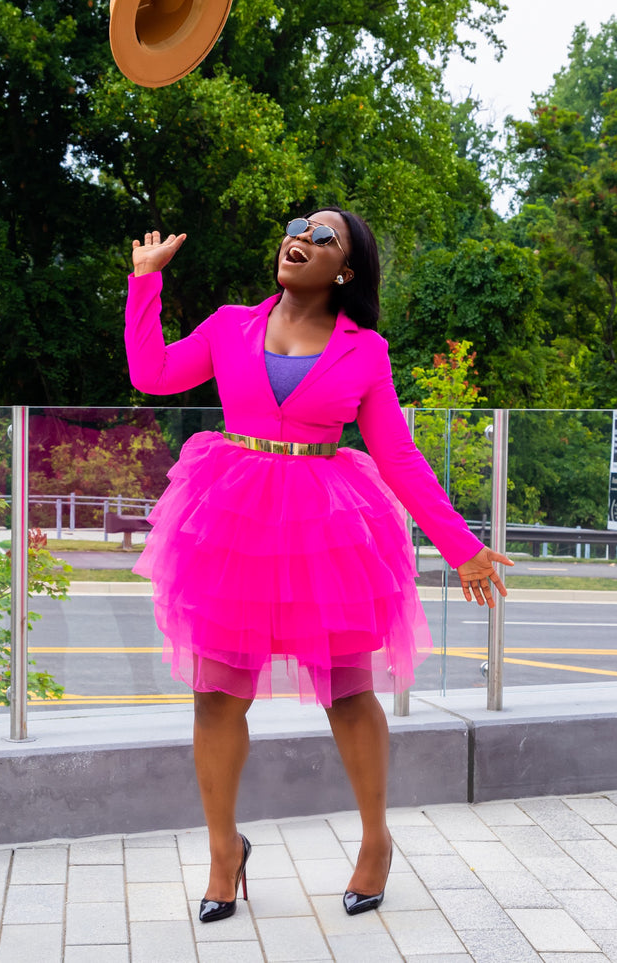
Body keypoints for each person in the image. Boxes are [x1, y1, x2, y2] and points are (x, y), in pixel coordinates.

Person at [125, 209, 512, 922]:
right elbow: (151, 374)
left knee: (346, 689)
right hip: (231, 519)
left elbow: (396, 455)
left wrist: (462, 545)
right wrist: (143, 285)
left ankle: (374, 842)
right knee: (216, 694)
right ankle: (222, 854)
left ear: (345, 270)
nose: (298, 236)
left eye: (322, 235)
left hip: (321, 528)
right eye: (296, 225)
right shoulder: (228, 324)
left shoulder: (364, 351)